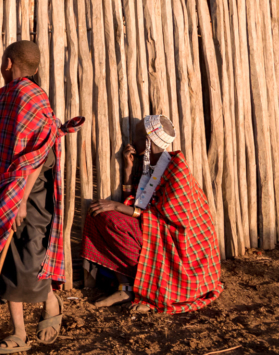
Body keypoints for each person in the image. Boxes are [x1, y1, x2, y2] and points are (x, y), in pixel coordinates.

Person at [0, 41, 70, 353]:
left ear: (8, 63)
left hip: (31, 196)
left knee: (29, 259)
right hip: (3, 188)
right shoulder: (4, 95)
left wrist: (21, 199)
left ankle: (51, 302)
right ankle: (19, 333)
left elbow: (40, 156)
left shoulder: (32, 97)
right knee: (7, 255)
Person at [83, 115, 222, 314]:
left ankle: (149, 291)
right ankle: (125, 288)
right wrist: (129, 170)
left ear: (148, 141)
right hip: (152, 232)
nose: (132, 140)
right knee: (100, 215)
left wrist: (116, 206)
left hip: (175, 245)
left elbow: (171, 218)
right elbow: (136, 204)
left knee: (111, 215)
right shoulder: (149, 167)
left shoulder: (177, 171)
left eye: (137, 136)